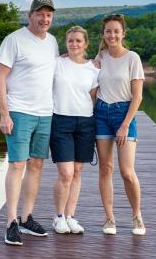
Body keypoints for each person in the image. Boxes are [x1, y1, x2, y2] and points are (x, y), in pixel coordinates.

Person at [0, 0, 59, 246]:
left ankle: (26, 217)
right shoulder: (14, 40)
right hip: (19, 111)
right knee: (17, 165)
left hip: (45, 113)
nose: (45, 19)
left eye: (49, 15)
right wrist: (4, 113)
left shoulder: (52, 42)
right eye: (40, 14)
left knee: (37, 165)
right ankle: (10, 222)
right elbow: (0, 78)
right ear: (30, 15)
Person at [95, 14, 146, 236]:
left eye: (116, 31)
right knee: (106, 169)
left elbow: (138, 97)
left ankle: (137, 216)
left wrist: (125, 124)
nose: (112, 35)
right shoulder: (100, 57)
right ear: (104, 34)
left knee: (127, 171)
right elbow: (83, 73)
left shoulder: (132, 58)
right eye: (108, 31)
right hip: (101, 114)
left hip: (123, 114)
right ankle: (109, 219)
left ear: (123, 33)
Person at [50, 26, 99, 234]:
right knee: (66, 173)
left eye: (78, 41)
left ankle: (70, 216)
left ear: (86, 43)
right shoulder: (56, 63)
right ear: (66, 43)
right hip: (60, 120)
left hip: (86, 123)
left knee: (78, 171)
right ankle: (58, 216)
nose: (74, 44)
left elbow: (94, 97)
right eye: (70, 40)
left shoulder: (94, 69)